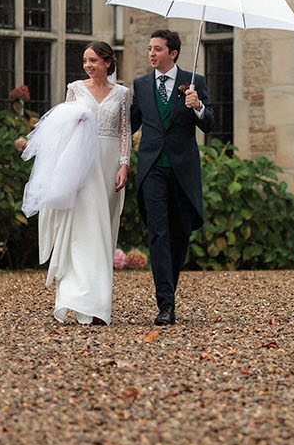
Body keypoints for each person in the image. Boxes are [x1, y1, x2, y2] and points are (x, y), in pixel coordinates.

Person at [23, 41, 132, 325]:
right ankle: (75, 297)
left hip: (109, 167)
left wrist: (124, 163)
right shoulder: (75, 89)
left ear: (108, 62)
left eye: (93, 60)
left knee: (104, 232)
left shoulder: (122, 94)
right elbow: (61, 129)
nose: (88, 65)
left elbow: (124, 131)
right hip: (81, 166)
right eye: (85, 60)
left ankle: (98, 305)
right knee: (83, 230)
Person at [130, 28, 215, 326]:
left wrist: (199, 107)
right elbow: (130, 124)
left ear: (173, 53)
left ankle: (169, 291)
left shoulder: (194, 83)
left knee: (179, 234)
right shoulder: (141, 85)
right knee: (158, 233)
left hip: (182, 170)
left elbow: (210, 125)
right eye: (150, 48)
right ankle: (165, 304)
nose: (151, 53)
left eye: (158, 49)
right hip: (152, 168)